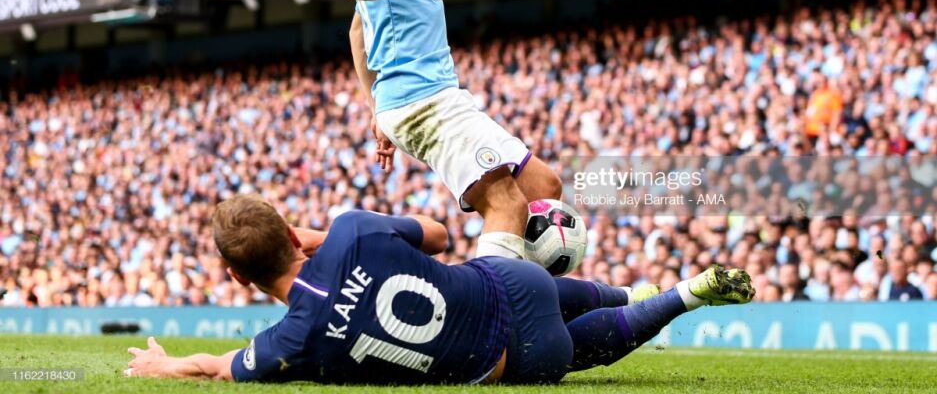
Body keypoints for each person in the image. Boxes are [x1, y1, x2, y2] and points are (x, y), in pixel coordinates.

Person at [124, 195, 755, 383]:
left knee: (584, 347)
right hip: (506, 278)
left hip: (513, 356)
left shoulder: (289, 341)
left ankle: (684, 296)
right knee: (566, 297)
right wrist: (323, 235)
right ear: (293, 233)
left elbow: (220, 367)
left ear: (238, 277)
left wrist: (167, 365)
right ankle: (626, 293)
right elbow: (438, 236)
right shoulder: (349, 230)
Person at [341, 0, 563, 261]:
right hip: (423, 98)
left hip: (425, 97)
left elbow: (357, 30)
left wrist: (375, 109)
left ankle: (528, 291)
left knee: (543, 188)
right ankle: (498, 300)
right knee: (507, 204)